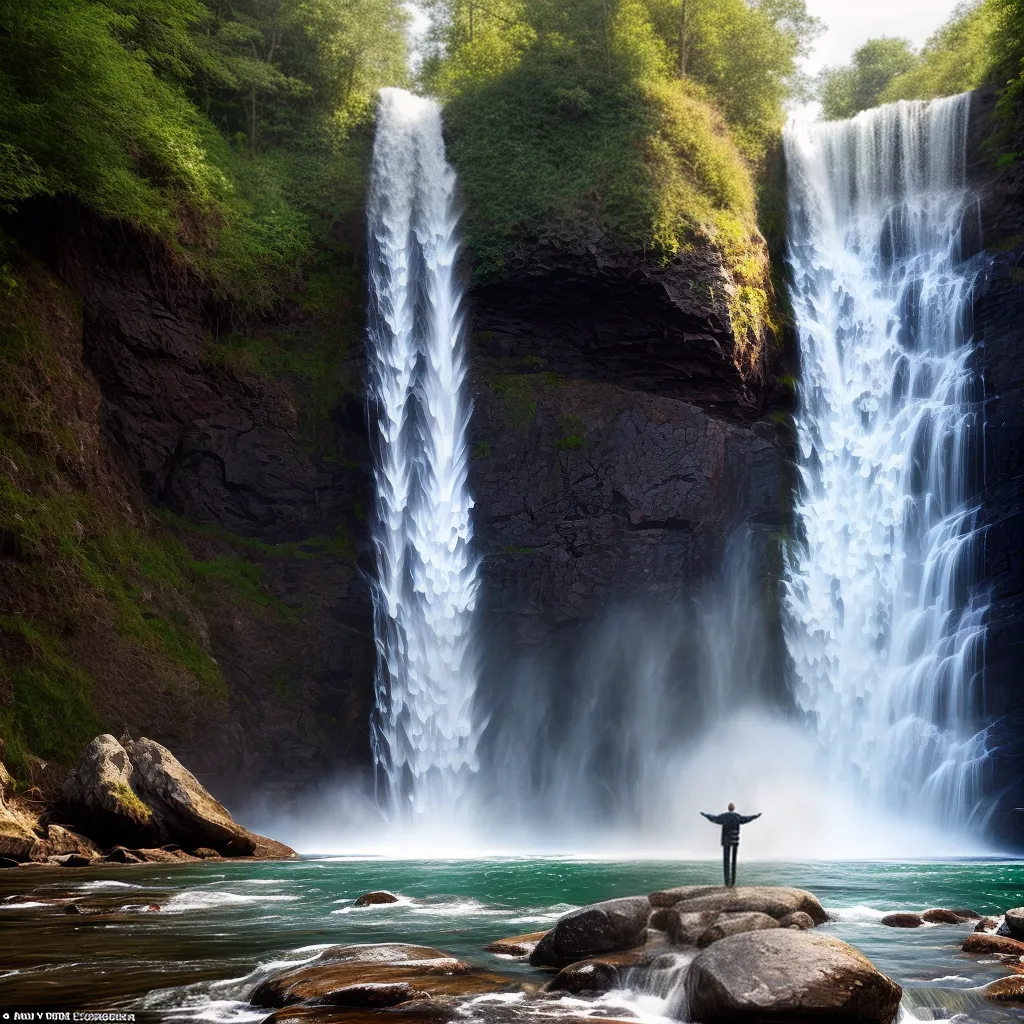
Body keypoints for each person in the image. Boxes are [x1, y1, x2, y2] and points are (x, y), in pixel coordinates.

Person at [700, 803, 761, 887]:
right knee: (734, 862)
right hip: (735, 841)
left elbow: (714, 818)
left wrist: (705, 815)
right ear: (733, 808)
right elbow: (746, 819)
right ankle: (733, 882)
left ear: (728, 808)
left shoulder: (724, 816)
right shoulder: (737, 816)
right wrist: (755, 816)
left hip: (726, 841)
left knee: (726, 861)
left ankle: (727, 882)